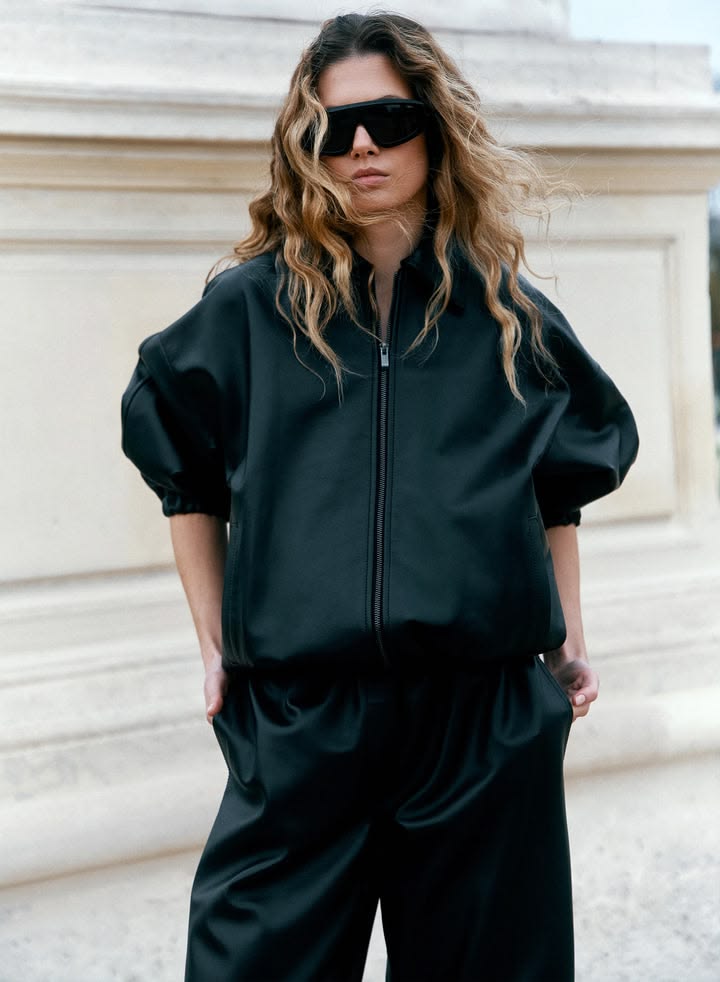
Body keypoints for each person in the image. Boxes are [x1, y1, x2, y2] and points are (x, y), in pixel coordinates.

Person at [121, 12, 638, 982]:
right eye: (334, 127)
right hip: (304, 723)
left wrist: (569, 642)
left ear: (434, 130)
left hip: (481, 721)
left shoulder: (506, 317)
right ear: (307, 145)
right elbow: (183, 473)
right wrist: (214, 644)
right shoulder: (250, 310)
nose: (362, 144)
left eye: (389, 120)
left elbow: (555, 492)